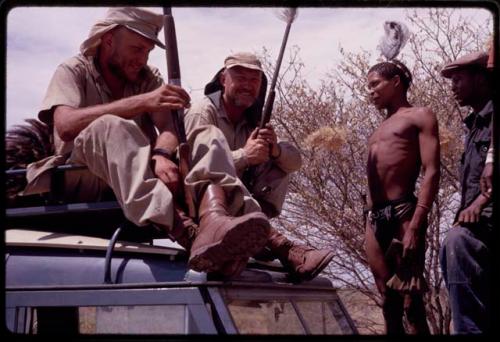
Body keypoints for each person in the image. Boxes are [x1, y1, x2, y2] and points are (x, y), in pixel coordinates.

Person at [20, 7, 273, 278]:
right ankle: (187, 233)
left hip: (138, 173)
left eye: (148, 52)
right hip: (82, 175)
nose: (142, 59)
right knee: (111, 126)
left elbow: (168, 126)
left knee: (206, 134)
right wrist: (142, 102)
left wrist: (163, 153)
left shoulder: (146, 76)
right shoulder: (73, 69)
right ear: (108, 40)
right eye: (137, 49)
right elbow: (65, 125)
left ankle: (250, 232)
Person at [183, 52, 334, 281]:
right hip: (203, 200)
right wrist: (245, 156)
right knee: (217, 175)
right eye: (240, 78)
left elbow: (295, 162)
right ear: (224, 79)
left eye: (254, 80)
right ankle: (281, 245)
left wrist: (274, 150)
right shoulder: (203, 112)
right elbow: (197, 168)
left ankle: (254, 231)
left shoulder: (252, 120)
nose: (247, 85)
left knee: (280, 165)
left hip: (238, 200)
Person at [365, 60, 440, 334]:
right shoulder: (378, 129)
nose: (370, 91)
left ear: (396, 81)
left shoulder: (420, 116)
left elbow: (432, 171)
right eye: (368, 86)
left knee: (412, 302)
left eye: (375, 84)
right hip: (373, 217)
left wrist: (416, 224)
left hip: (403, 213)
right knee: (388, 301)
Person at [439, 51, 493, 334]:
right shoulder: (473, 126)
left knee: (457, 242)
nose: (453, 86)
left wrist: (482, 201)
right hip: (478, 226)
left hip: (486, 224)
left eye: (459, 79)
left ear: (482, 78)